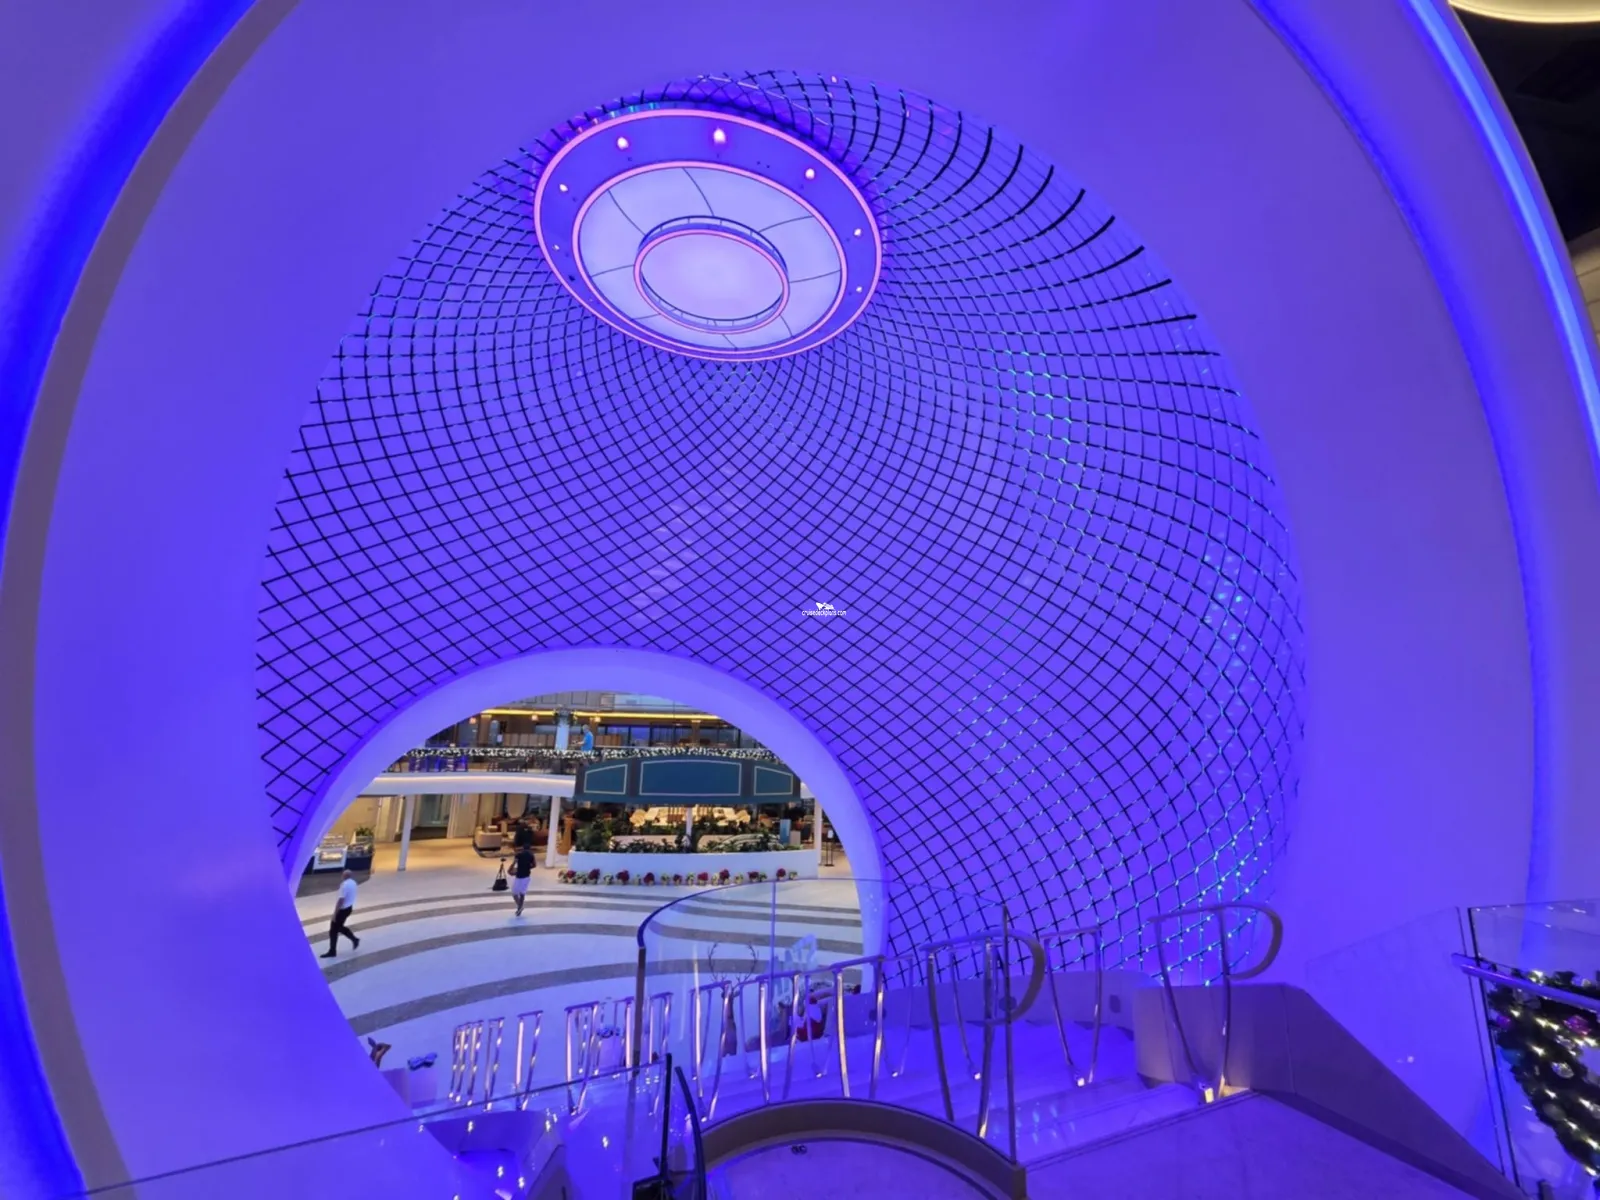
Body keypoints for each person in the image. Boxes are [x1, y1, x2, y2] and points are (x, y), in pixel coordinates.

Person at [321, 870, 360, 958]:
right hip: (349, 908)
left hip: (342, 910)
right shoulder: (353, 883)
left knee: (333, 930)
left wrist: (335, 913)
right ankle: (354, 939)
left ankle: (332, 951)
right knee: (338, 927)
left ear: (344, 876)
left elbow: (341, 900)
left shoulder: (344, 885)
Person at [510, 842, 536, 917]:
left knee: (514, 893)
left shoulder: (518, 855)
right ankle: (520, 907)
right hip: (526, 876)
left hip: (519, 875)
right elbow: (534, 865)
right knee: (522, 893)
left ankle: (520, 906)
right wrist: (528, 867)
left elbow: (514, 862)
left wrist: (512, 868)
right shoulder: (531, 855)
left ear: (523, 848)